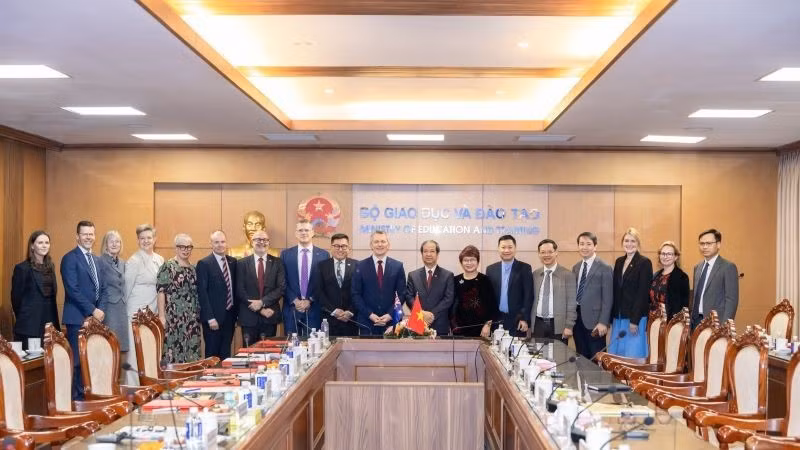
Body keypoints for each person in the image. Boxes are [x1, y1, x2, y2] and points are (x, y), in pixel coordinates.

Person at [61, 220, 107, 399]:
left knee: (92, 361)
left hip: (96, 320)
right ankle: (77, 403)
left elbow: (103, 289)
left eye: (91, 234)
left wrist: (99, 311)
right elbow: (72, 290)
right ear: (77, 236)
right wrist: (93, 310)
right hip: (77, 319)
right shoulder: (69, 258)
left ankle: (90, 400)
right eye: (85, 234)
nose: (88, 237)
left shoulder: (97, 260)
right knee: (78, 364)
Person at [123, 224, 164, 385]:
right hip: (135, 315)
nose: (146, 241)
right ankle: (133, 390)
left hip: (152, 315)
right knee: (135, 355)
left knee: (150, 353)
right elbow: (126, 290)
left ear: (155, 239)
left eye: (149, 237)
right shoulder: (134, 261)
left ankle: (150, 387)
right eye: (142, 238)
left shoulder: (160, 259)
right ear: (138, 240)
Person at [156, 233, 201, 365]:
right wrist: (162, 316)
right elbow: (161, 292)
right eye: (182, 247)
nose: (186, 250)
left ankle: (191, 377)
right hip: (174, 319)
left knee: (191, 352)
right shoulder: (168, 266)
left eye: (189, 247)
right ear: (176, 248)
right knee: (174, 351)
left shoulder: (193, 268)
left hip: (192, 319)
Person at [11, 230, 60, 349]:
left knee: (50, 359)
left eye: (47, 243)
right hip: (29, 326)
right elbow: (16, 299)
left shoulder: (50, 267)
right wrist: (25, 317)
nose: (44, 245)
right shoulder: (22, 268)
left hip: (50, 324)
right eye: (40, 242)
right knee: (32, 360)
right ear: (32, 246)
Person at [609, 228, 653, 358]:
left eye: (633, 241)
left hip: (634, 318)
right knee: (617, 355)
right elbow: (615, 290)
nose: (629, 244)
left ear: (638, 243)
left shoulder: (644, 263)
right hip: (619, 317)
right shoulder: (619, 262)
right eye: (626, 241)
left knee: (632, 356)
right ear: (622, 243)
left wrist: (635, 320)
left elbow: (643, 294)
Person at [351, 231, 406, 335]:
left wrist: (390, 314)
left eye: (383, 241)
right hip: (367, 323)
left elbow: (402, 294)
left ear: (388, 245)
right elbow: (356, 294)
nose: (380, 244)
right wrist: (370, 314)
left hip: (392, 322)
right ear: (371, 245)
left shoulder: (398, 266)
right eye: (376, 242)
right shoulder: (360, 266)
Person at [281, 219, 330, 335]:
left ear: (313, 232)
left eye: (307, 230)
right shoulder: (285, 254)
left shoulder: (324, 255)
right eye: (300, 230)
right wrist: (295, 300)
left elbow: (324, 283)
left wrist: (310, 300)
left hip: (314, 308)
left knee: (314, 343)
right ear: (296, 233)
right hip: (292, 308)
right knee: (291, 343)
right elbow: (282, 281)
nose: (303, 233)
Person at [235, 230, 284, 344]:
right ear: (252, 242)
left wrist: (262, 302)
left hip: (269, 316)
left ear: (269, 242)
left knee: (269, 352)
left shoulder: (278, 262)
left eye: (265, 240)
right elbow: (240, 289)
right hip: (249, 317)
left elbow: (281, 288)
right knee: (248, 352)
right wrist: (260, 309)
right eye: (258, 239)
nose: (262, 242)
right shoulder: (241, 263)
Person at [571, 232, 613, 360]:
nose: (584, 247)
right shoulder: (576, 267)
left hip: (595, 322)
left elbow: (608, 298)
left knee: (596, 359)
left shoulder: (605, 267)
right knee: (581, 356)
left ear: (595, 246)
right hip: (577, 320)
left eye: (588, 244)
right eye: (581, 244)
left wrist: (603, 322)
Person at [196, 230, 238, 359]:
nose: (220, 245)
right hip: (213, 319)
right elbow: (202, 293)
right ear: (211, 244)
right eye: (216, 242)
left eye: (223, 242)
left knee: (226, 354)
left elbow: (234, 288)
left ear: (226, 243)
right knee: (212, 355)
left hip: (230, 317)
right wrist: (210, 318)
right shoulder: (204, 263)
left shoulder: (233, 262)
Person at [486, 235, 533, 337]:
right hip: (496, 320)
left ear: (515, 248)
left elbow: (528, 296)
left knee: (516, 347)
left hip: (517, 320)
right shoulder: (491, 269)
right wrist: (488, 322)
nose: (506, 250)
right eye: (503, 247)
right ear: (498, 249)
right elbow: (488, 298)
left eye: (510, 247)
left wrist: (524, 318)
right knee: (495, 346)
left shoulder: (525, 268)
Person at [405, 240, 455, 336]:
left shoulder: (448, 275)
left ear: (437, 254)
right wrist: (421, 313)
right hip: (418, 324)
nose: (428, 254)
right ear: (422, 254)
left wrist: (431, 315)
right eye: (425, 251)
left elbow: (448, 299)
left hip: (440, 325)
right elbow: (409, 297)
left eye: (432, 251)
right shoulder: (413, 275)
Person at [692, 229, 739, 329]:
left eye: (709, 243)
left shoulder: (728, 267)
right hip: (696, 322)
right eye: (702, 243)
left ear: (718, 245)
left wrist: (724, 327)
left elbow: (731, 300)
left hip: (716, 323)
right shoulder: (697, 267)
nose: (705, 247)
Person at [531, 239, 577, 342]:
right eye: (543, 252)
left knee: (558, 352)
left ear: (556, 252)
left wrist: (569, 326)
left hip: (558, 326)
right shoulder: (535, 274)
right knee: (537, 352)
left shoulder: (568, 275)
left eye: (550, 252)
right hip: (538, 324)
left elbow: (572, 302)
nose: (546, 255)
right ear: (539, 254)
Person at [313, 233, 358, 336]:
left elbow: (360, 292)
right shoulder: (321, 266)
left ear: (349, 248)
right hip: (328, 319)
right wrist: (333, 310)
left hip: (350, 319)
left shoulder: (357, 265)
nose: (340, 249)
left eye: (344, 246)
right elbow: (318, 292)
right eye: (337, 246)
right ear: (331, 247)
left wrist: (350, 311)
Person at [450, 245, 497, 338]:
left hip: (481, 330)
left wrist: (487, 326)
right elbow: (451, 305)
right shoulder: (455, 280)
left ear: (478, 262)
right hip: (459, 329)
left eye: (472, 260)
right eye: (466, 260)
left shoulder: (485, 280)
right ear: (461, 262)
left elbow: (492, 306)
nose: (469, 263)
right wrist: (452, 325)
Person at [99, 230, 130, 358]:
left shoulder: (123, 262)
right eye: (111, 241)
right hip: (109, 308)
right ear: (105, 244)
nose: (114, 244)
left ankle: (117, 372)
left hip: (122, 308)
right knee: (110, 346)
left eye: (117, 241)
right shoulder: (100, 261)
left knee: (120, 349)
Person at [651, 241, 690, 319]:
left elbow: (683, 305)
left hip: (670, 321)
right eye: (663, 254)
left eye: (669, 254)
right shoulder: (656, 275)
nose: (665, 257)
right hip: (653, 319)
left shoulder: (682, 277)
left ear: (676, 257)